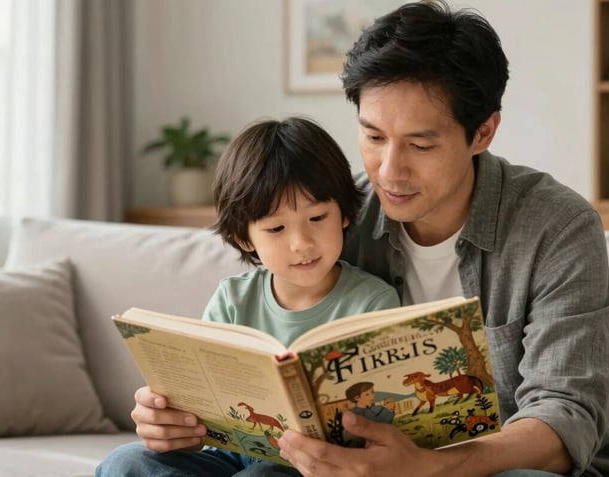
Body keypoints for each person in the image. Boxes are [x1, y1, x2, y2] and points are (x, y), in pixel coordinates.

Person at [111, 1, 609, 476]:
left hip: (493, 464)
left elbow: (566, 414)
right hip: (334, 464)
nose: (389, 171)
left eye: (420, 144)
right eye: (373, 136)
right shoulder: (335, 214)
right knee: (135, 464)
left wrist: (426, 467)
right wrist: (173, 417)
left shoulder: (557, 227)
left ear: (483, 132)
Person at [96, 116, 400, 476]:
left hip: (319, 467)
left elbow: (383, 421)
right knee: (127, 463)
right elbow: (205, 419)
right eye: (276, 228)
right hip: (235, 456)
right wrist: (176, 425)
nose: (301, 243)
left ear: (345, 214)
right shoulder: (232, 298)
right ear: (244, 238)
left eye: (317, 218)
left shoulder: (373, 301)